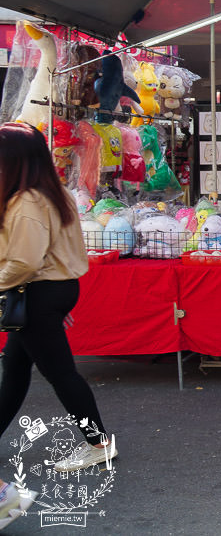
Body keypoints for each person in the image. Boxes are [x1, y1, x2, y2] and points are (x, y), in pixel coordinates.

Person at [0, 123, 116, 477]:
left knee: (60, 373)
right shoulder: (53, 192)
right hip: (48, 290)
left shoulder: (27, 201)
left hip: (35, 290)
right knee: (16, 367)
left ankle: (99, 444)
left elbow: (23, 262)